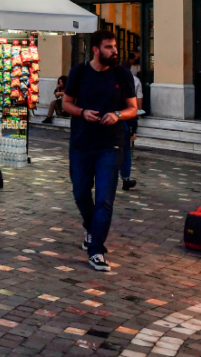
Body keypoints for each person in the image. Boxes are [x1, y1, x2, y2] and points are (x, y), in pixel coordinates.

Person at [62, 29, 138, 272]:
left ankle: (96, 250)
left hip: (111, 146)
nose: (114, 51)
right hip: (81, 144)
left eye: (115, 46)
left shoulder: (122, 74)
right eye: (109, 47)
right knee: (81, 194)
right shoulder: (79, 72)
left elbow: (133, 109)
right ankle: (91, 228)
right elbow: (66, 103)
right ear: (96, 50)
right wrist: (83, 112)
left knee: (104, 200)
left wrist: (117, 115)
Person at [120, 65, 143, 191]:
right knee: (125, 152)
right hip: (121, 124)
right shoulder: (127, 90)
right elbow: (131, 111)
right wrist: (133, 129)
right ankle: (125, 178)